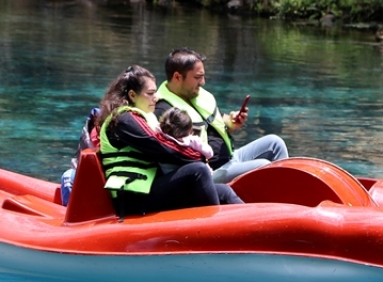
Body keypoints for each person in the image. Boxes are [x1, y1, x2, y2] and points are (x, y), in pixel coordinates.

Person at [93, 65, 242, 216]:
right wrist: (199, 158)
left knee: (224, 191)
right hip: (133, 198)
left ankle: (252, 227)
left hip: (148, 189)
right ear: (132, 95)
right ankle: (216, 228)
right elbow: (161, 147)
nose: (156, 98)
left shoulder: (143, 116)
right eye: (150, 93)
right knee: (198, 171)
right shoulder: (124, 120)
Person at [153, 48, 288, 183]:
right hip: (210, 173)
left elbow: (219, 121)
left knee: (275, 143)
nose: (202, 82)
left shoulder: (198, 95)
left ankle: (290, 192)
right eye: (197, 77)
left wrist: (232, 122)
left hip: (231, 158)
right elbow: (173, 156)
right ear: (177, 77)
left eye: (203, 76)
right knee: (263, 166)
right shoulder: (164, 111)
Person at [157, 107, 214, 172]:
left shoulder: (159, 133)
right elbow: (209, 153)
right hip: (185, 174)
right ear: (190, 130)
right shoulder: (191, 141)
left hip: (165, 171)